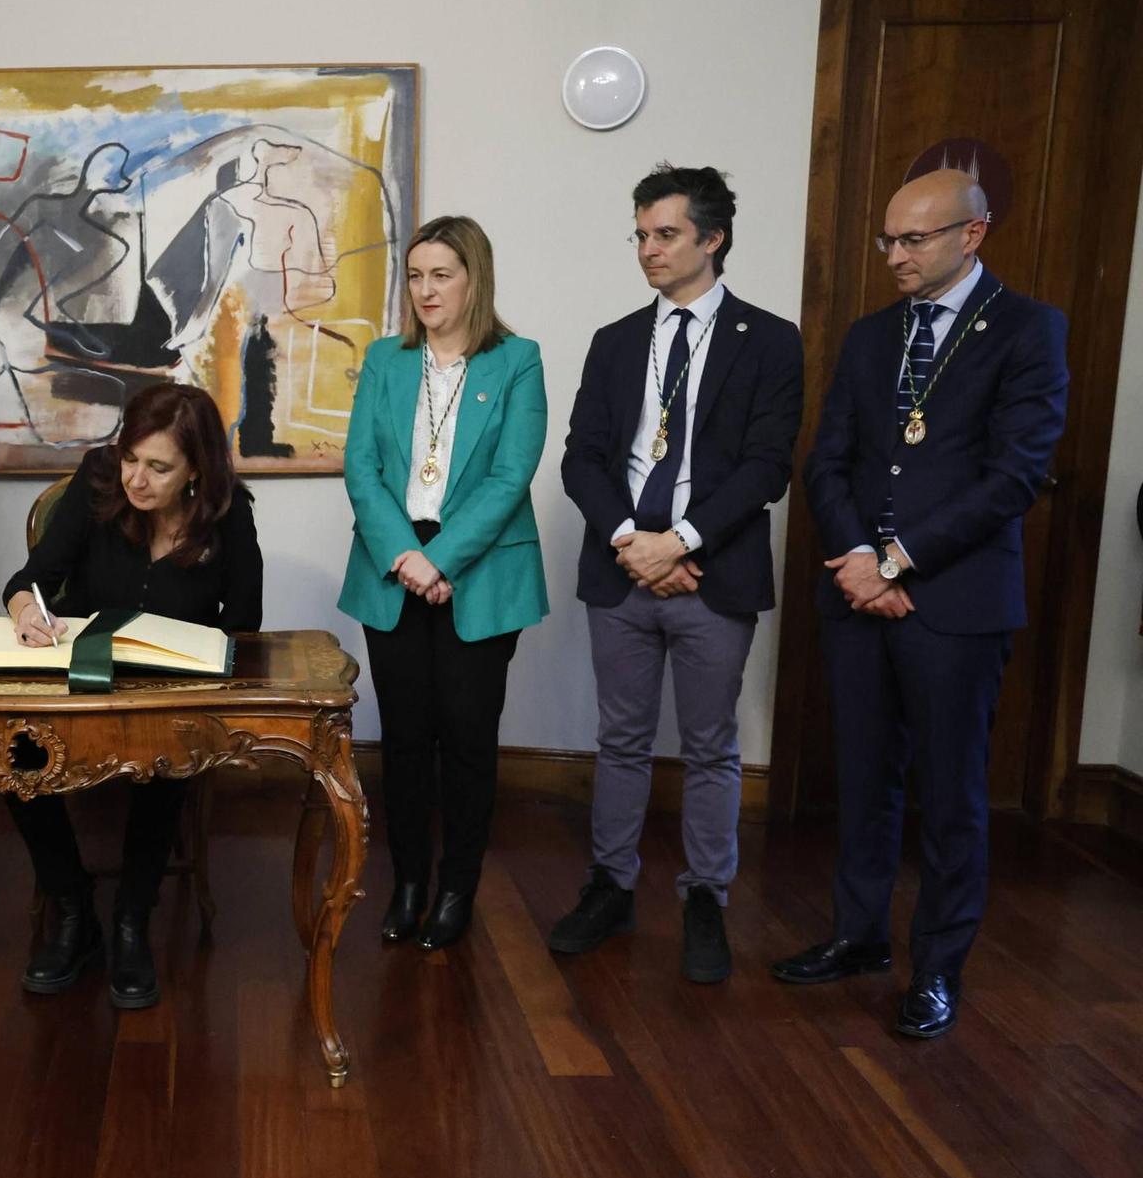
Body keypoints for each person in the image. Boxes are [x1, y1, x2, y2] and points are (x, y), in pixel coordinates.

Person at [773, 168, 1067, 1039]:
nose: (895, 256)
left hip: (954, 602)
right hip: (859, 594)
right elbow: (827, 460)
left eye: (914, 240)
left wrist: (898, 561)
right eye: (887, 240)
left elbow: (1014, 474)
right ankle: (860, 934)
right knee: (863, 778)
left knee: (950, 795)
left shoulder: (1028, 329)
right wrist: (860, 558)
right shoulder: (871, 336)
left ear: (970, 236)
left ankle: (938, 966)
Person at [551, 164, 804, 983]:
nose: (648, 250)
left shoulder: (769, 340)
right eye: (641, 234)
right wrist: (634, 539)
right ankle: (611, 886)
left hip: (713, 574)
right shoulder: (616, 340)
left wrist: (683, 541)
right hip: (622, 569)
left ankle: (704, 899)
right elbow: (582, 457)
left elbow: (769, 464)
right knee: (620, 739)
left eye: (665, 234)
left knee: (711, 746)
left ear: (712, 237)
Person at [2, 383, 261, 1008]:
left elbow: (247, 623)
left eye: (159, 467)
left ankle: (130, 920)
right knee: (14, 756)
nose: (136, 481)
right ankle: (73, 911)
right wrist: (21, 607)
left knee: (164, 761)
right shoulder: (98, 482)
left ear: (196, 471)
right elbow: (32, 581)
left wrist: (198, 662)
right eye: (130, 459)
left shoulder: (228, 511)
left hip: (168, 694)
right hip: (79, 685)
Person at [338, 215, 549, 952]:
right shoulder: (385, 359)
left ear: (474, 279)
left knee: (466, 738)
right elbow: (360, 468)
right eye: (416, 275)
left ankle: (458, 887)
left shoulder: (517, 360)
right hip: (394, 567)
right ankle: (407, 884)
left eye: (442, 275)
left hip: (479, 572)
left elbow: (510, 474)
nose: (425, 290)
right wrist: (405, 554)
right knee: (401, 740)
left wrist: (442, 559)